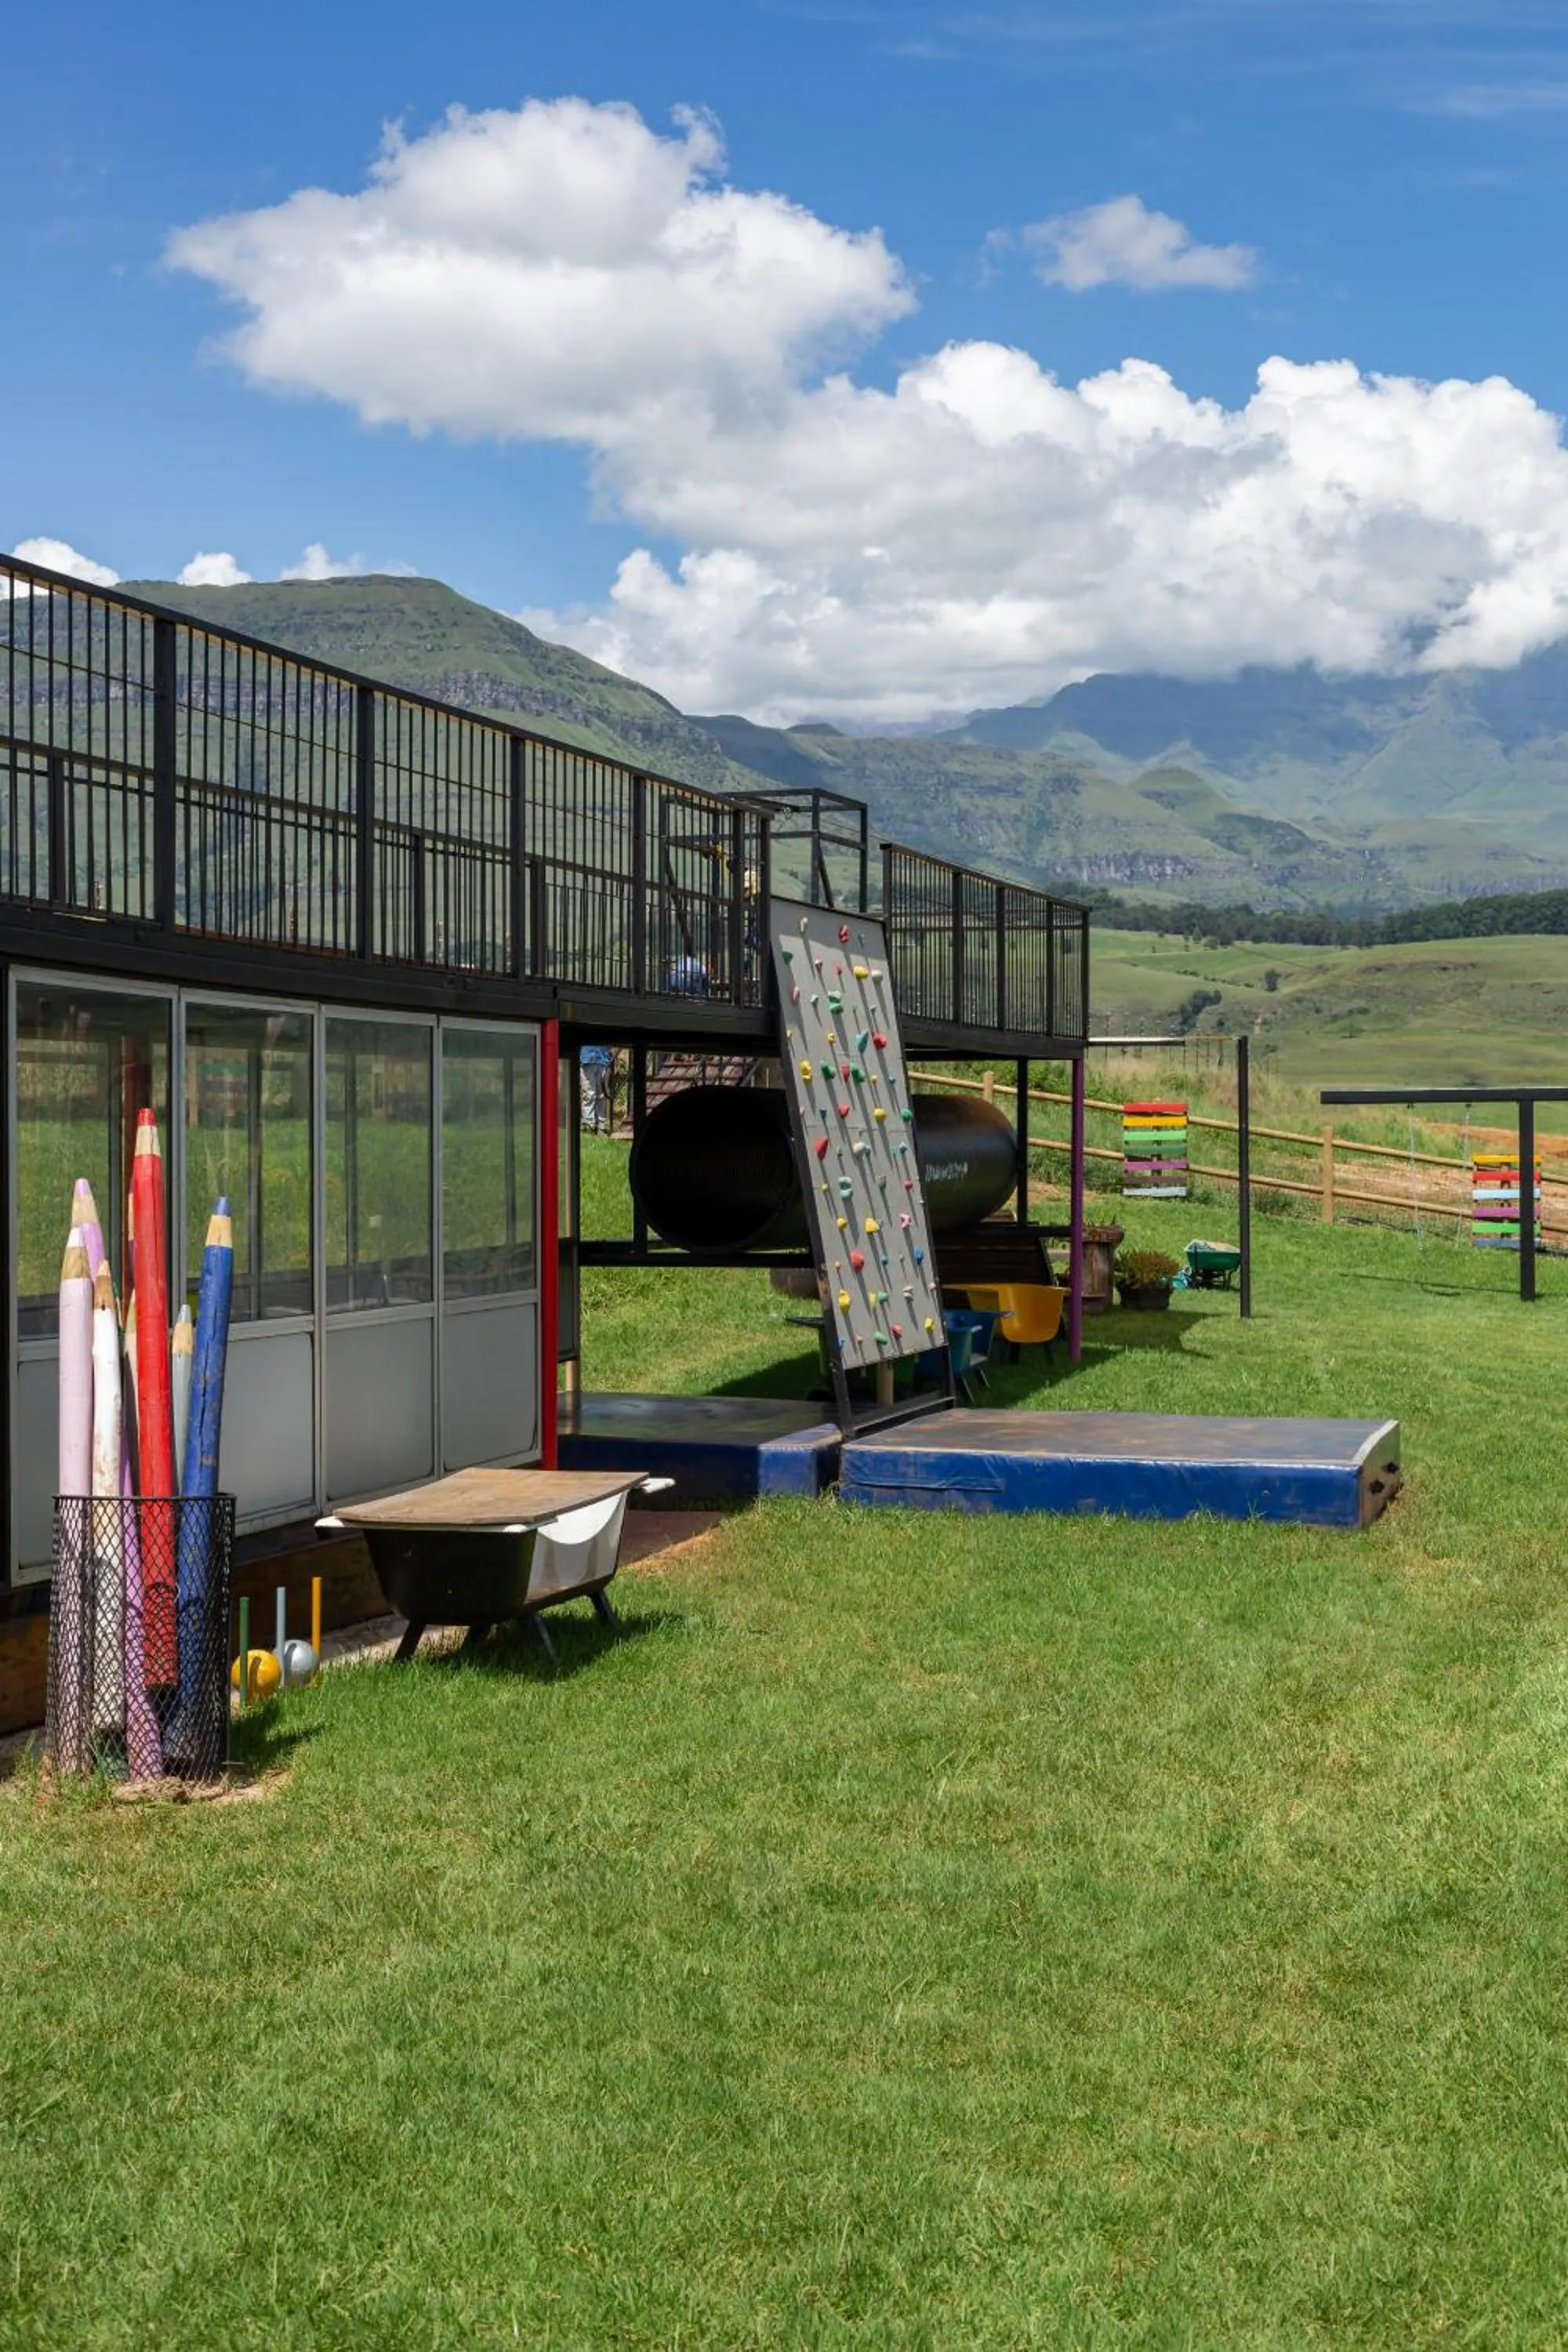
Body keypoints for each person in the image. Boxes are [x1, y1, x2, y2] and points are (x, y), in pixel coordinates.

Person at [580, 1044, 613, 1134]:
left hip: (603, 1060)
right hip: (587, 1059)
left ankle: (601, 1125)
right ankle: (588, 1124)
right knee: (589, 1093)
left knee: (602, 1095)